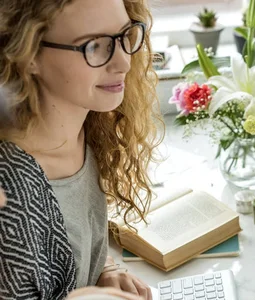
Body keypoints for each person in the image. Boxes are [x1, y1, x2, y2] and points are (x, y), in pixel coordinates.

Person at [0, 0, 164, 299]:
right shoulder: (11, 197)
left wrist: (104, 267)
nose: (124, 63)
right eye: (94, 45)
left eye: (124, 35)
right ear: (29, 54)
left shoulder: (86, 128)